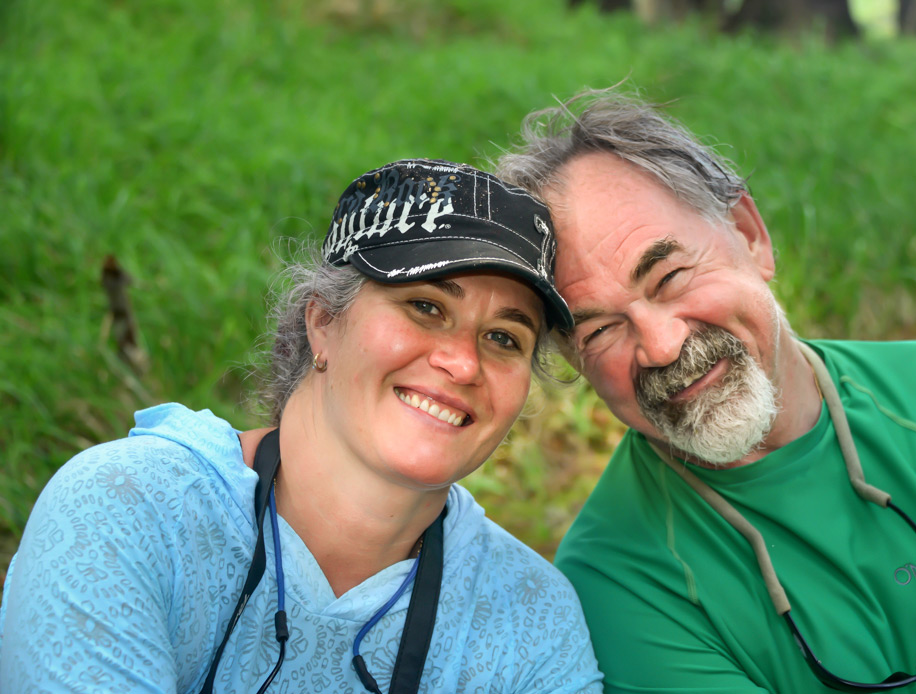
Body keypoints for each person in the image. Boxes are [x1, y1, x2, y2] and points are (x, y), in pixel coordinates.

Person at [494, 91, 916, 693]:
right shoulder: (619, 581)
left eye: (670, 277)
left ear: (750, 236)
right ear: (574, 358)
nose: (661, 346)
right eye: (599, 330)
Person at [0, 159, 604, 693]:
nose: (463, 361)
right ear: (322, 323)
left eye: (504, 338)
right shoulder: (131, 513)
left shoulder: (532, 622)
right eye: (426, 307)